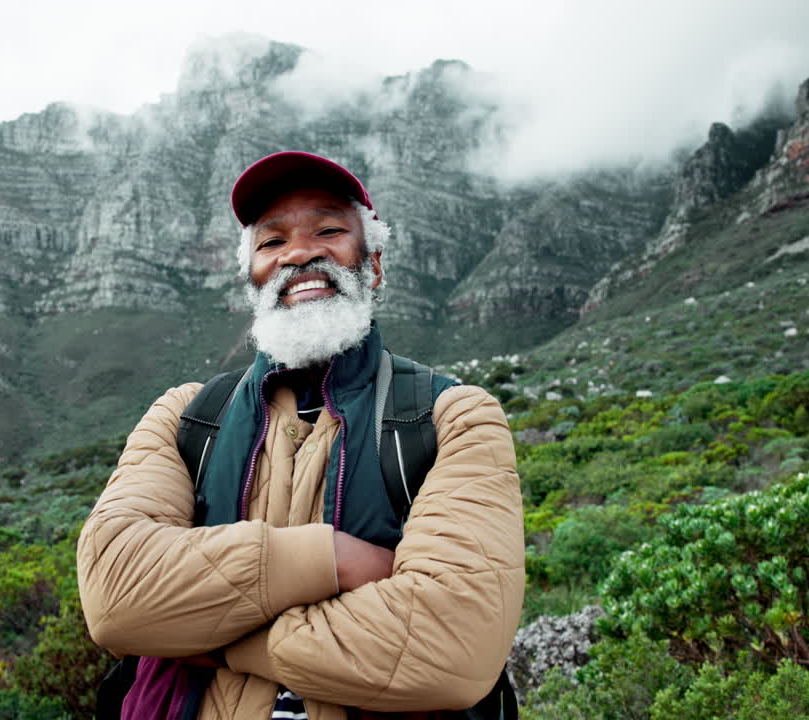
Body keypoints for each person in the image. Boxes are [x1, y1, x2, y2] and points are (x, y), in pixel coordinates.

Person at [76, 151, 524, 720]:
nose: (299, 253)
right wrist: (335, 559)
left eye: (330, 230)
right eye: (271, 242)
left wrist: (212, 639)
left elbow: (452, 647)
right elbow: (116, 600)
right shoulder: (186, 416)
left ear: (374, 264)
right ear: (252, 278)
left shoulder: (454, 418)